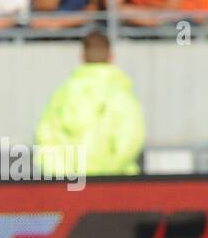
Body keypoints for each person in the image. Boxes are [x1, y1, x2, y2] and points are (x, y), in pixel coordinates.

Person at [35, 31, 145, 176]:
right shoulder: (122, 95)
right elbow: (131, 140)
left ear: (82, 57)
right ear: (111, 57)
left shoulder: (62, 94)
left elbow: (45, 139)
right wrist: (106, 177)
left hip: (70, 187)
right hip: (116, 188)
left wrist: (65, 179)